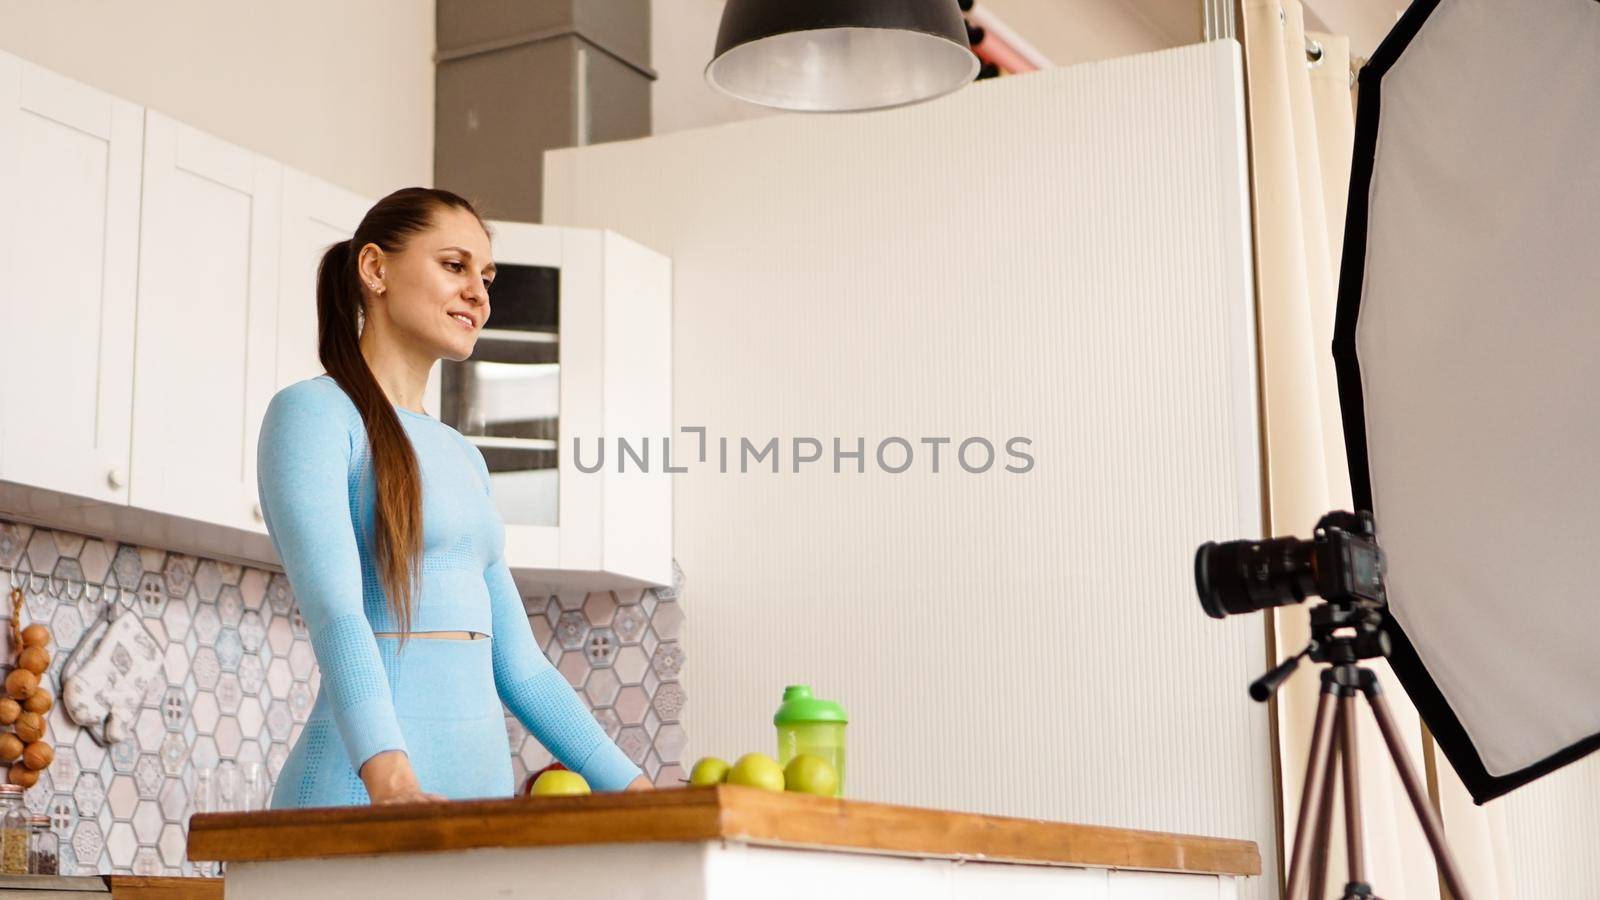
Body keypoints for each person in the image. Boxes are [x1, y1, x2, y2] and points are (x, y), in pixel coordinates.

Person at [257, 187, 651, 806]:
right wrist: (393, 787)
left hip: (477, 799)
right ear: (375, 268)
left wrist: (636, 791)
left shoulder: (463, 456)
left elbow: (520, 667)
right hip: (361, 799)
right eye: (454, 266)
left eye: (485, 277)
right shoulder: (313, 415)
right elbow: (338, 616)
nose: (479, 293)